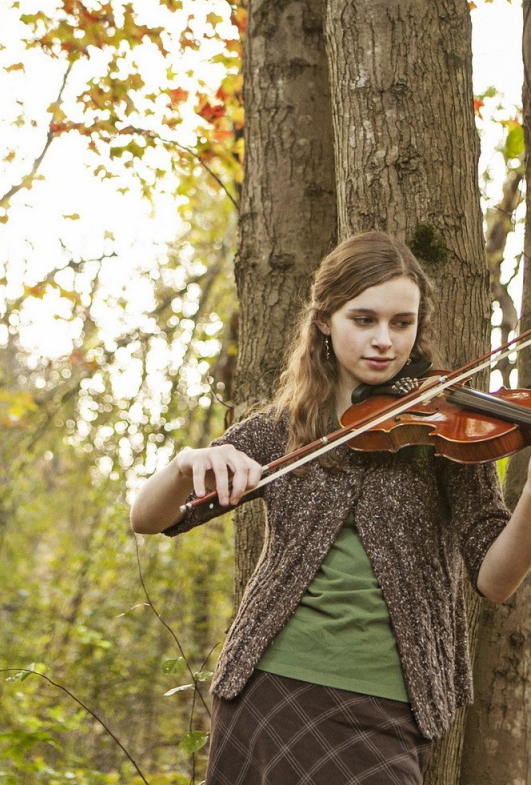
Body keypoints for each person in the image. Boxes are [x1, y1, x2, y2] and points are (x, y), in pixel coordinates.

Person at [130, 231, 531, 785]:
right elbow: (147, 519)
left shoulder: (449, 429)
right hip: (266, 689)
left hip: (390, 700)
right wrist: (185, 465)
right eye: (363, 320)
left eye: (401, 323)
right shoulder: (282, 428)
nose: (385, 341)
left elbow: (496, 580)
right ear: (324, 320)